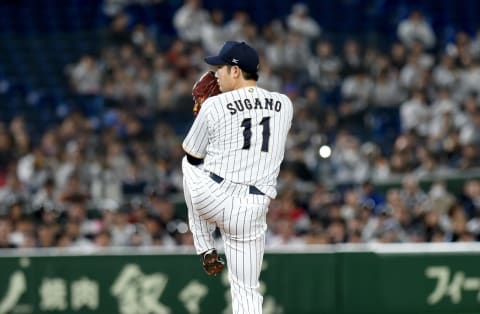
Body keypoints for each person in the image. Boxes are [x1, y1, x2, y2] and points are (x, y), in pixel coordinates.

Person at [182, 41, 293, 313]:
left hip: (213, 197)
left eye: (220, 68)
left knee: (189, 165)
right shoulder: (285, 104)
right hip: (252, 211)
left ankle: (205, 247)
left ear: (235, 71)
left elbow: (194, 156)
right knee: (246, 290)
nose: (215, 74)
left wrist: (200, 112)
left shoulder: (214, 106)